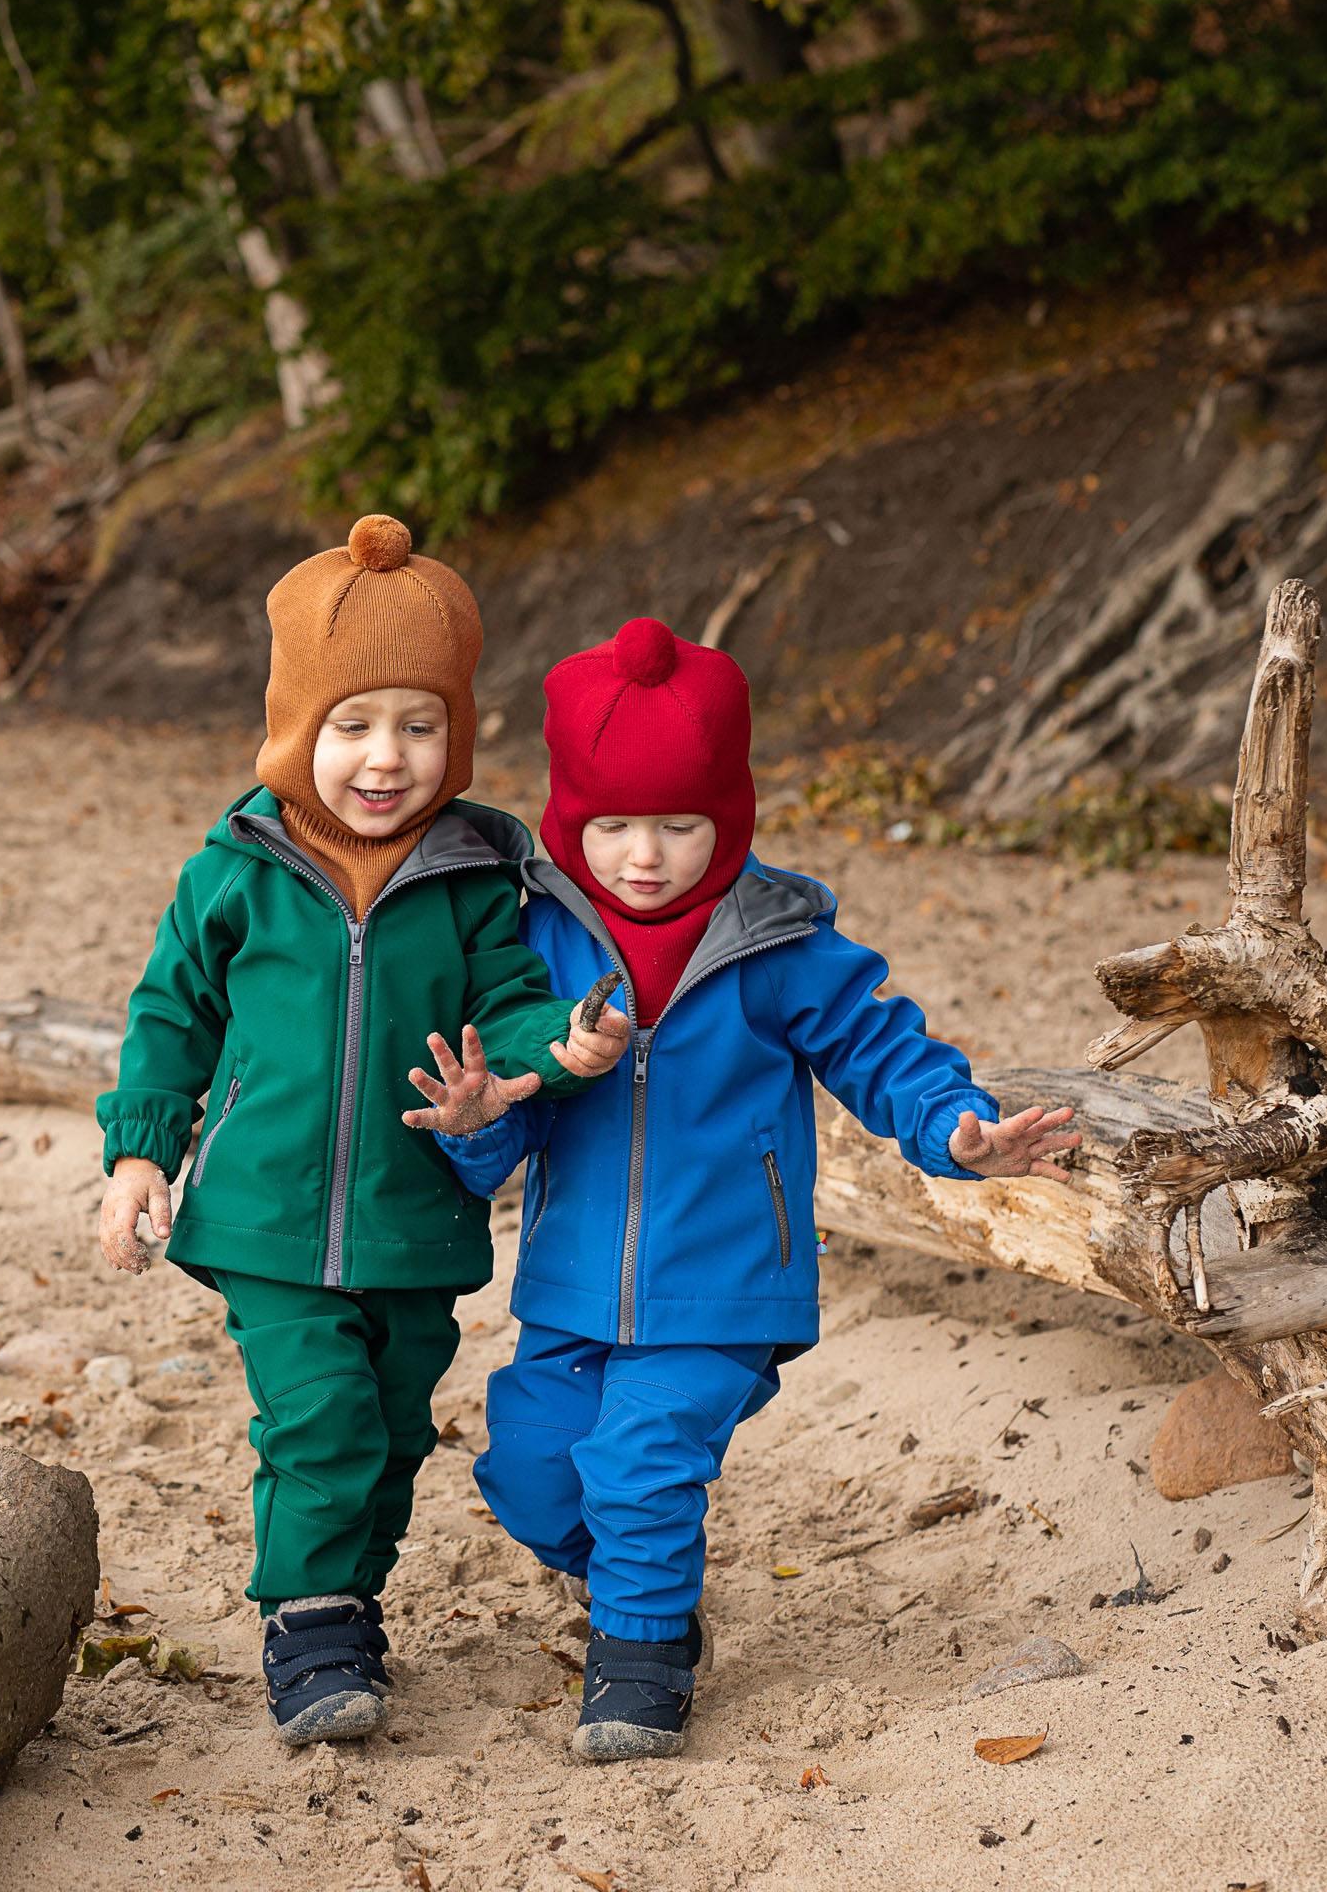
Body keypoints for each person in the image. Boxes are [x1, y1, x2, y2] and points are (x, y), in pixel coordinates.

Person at [409, 616, 1078, 1761]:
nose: (644, 853)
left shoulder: (776, 943)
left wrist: (952, 1128)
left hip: (723, 1280)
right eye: (614, 824)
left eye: (679, 823)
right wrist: (478, 1122)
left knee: (640, 1461)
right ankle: (631, 1571)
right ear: (572, 820)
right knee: (529, 1464)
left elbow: (882, 1051)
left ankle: (641, 1654)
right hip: (569, 1278)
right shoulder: (537, 943)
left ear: (729, 813)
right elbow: (498, 1101)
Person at [94, 515, 628, 1747]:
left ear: (455, 734)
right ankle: (307, 1612)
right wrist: (138, 1152)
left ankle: (350, 1591)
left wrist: (565, 1044)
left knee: (389, 1423)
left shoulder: (475, 874)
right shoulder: (236, 868)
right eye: (352, 726)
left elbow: (512, 1002)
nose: (384, 758)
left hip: (412, 1214)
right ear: (296, 727)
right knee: (317, 1413)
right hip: (261, 1213)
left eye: (418, 725)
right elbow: (169, 1012)